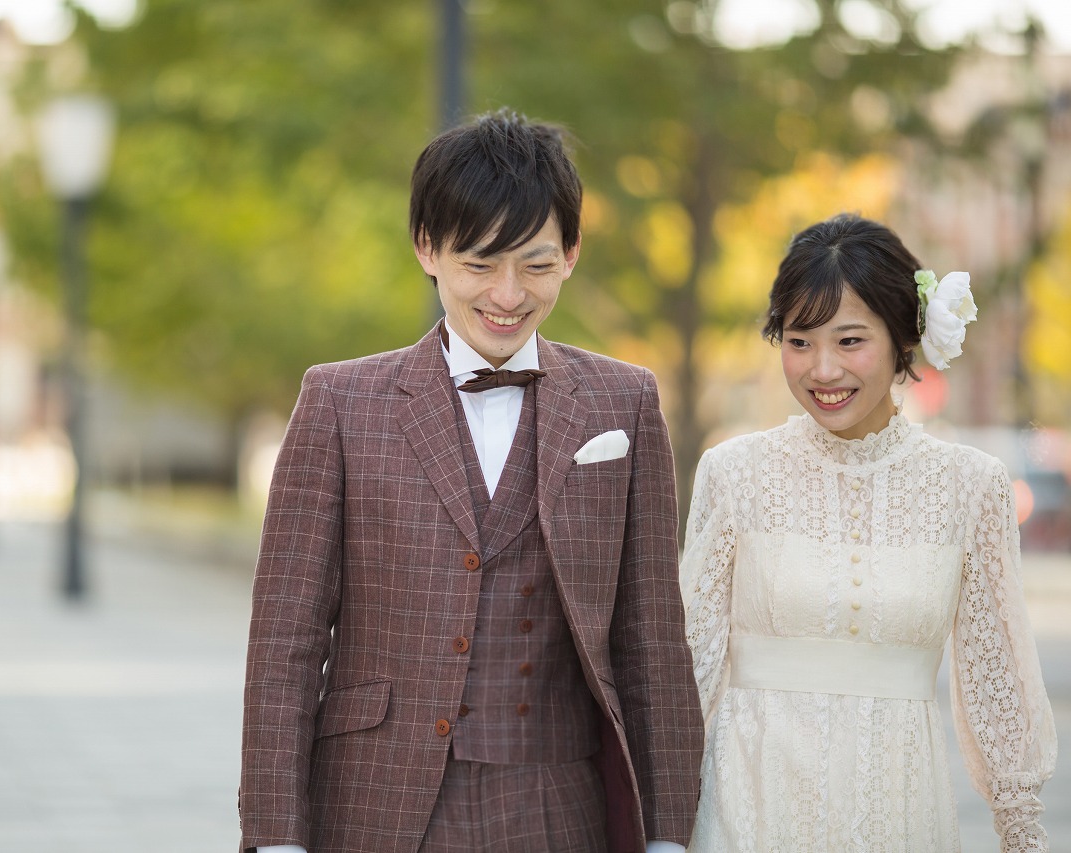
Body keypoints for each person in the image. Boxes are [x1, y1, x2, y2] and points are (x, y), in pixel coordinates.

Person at [239, 108, 704, 853]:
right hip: (375, 800)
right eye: (481, 264)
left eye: (536, 264)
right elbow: (286, 640)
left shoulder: (626, 402)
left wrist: (670, 833)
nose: (509, 294)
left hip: (559, 807)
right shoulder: (337, 400)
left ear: (573, 252)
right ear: (428, 248)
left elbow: (650, 637)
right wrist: (275, 836)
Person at [681, 213, 1057, 851]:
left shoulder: (971, 485)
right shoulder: (734, 472)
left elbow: (996, 679)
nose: (822, 370)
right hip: (747, 807)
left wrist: (1019, 833)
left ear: (902, 339)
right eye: (799, 341)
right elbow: (690, 663)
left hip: (899, 811)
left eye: (850, 340)